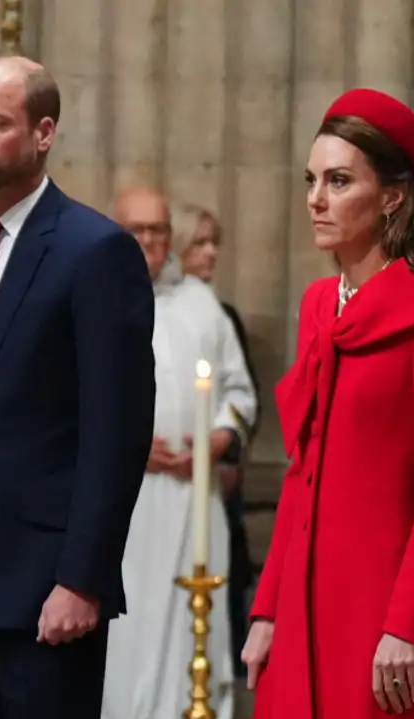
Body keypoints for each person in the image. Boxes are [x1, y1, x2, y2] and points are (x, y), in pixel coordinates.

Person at [0, 57, 155, 719]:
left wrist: (81, 578)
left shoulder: (95, 251)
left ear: (43, 132)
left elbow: (116, 430)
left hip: (45, 590)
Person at [242, 88, 414, 719]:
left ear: (392, 195)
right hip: (301, 604)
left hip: (381, 610)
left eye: (340, 181)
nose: (317, 199)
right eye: (312, 180)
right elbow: (302, 468)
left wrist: (406, 623)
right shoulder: (320, 303)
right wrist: (267, 609)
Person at [102, 188, 256, 719]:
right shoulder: (93, 301)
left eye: (158, 231)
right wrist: (124, 443)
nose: (148, 241)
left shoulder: (201, 304)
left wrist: (218, 438)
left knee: (201, 623)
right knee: (129, 632)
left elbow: (239, 394)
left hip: (195, 497)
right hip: (125, 501)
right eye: (136, 230)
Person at [169, 200, 259, 678]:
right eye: (200, 242)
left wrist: (221, 442)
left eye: (215, 243)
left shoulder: (216, 315)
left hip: (205, 484)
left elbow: (242, 396)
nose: (211, 254)